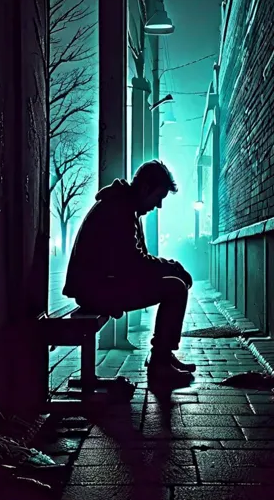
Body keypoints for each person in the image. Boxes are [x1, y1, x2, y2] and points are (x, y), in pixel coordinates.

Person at [63, 160, 195, 384]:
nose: (159, 206)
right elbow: (133, 263)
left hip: (100, 284)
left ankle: (163, 356)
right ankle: (160, 363)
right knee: (175, 288)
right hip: (96, 289)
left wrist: (168, 268)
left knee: (173, 284)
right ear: (145, 188)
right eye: (159, 197)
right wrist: (171, 268)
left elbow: (135, 262)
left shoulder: (124, 206)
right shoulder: (119, 209)